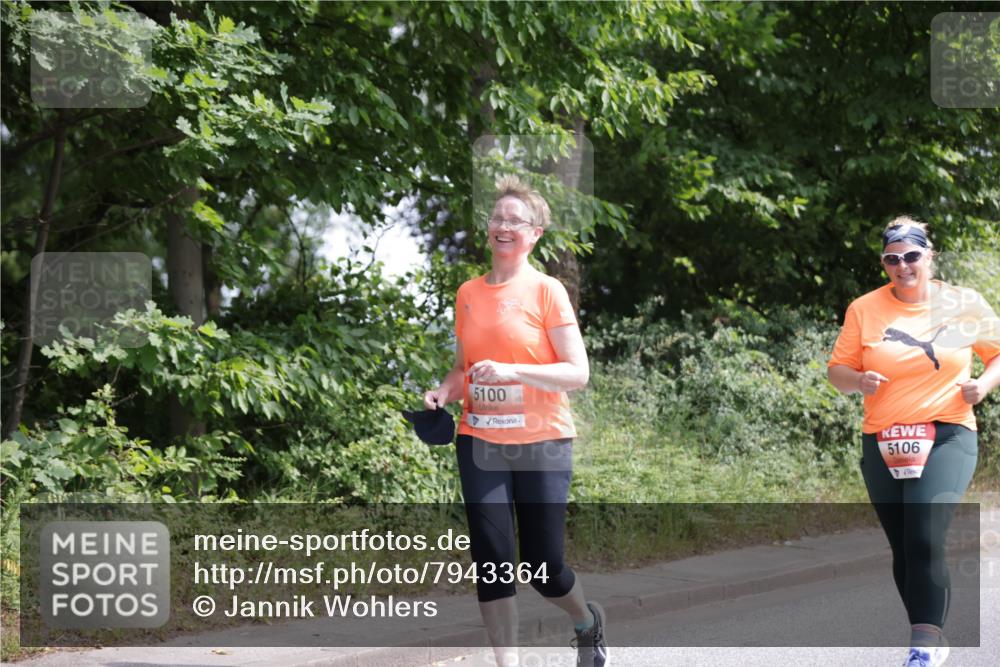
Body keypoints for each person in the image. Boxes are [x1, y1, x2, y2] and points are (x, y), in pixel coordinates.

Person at [422, 175, 607, 667]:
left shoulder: (547, 291)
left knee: (544, 567)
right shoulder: (468, 293)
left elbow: (577, 373)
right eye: (497, 218)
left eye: (515, 220)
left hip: (542, 442)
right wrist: (444, 392)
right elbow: (462, 368)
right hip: (479, 439)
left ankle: (586, 621)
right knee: (492, 560)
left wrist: (514, 370)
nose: (503, 226)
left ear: (535, 234)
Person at [827, 216, 1000, 667]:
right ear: (884, 263)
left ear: (929, 255)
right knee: (904, 544)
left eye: (911, 256)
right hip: (882, 438)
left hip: (947, 432)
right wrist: (858, 380)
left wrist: (983, 385)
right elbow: (837, 372)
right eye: (892, 258)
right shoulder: (865, 308)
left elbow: (998, 353)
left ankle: (924, 642)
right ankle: (928, 630)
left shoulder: (962, 303)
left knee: (923, 534)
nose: (902, 265)